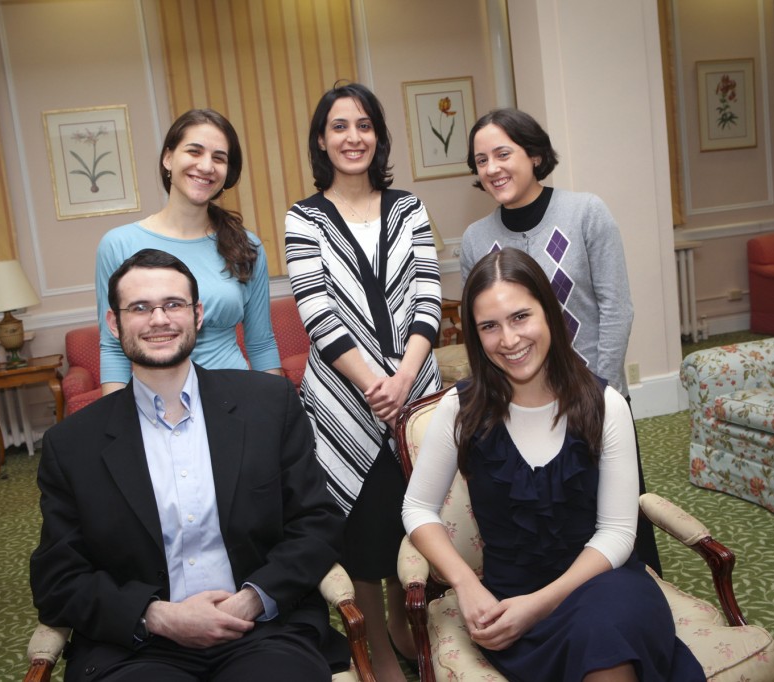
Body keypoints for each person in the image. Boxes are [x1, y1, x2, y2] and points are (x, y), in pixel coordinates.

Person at [31, 248, 347, 681]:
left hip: (262, 630)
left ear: (197, 315)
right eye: (140, 307)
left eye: (173, 305)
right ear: (114, 322)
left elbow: (317, 523)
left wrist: (252, 599)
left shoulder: (269, 406)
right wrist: (157, 616)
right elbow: (57, 578)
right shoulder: (72, 444)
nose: (159, 320)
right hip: (137, 647)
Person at [402, 248, 704, 682]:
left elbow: (619, 533)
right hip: (510, 604)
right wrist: (467, 584)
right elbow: (416, 508)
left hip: (604, 586)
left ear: (550, 313)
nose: (509, 339)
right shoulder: (459, 408)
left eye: (521, 317)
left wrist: (540, 603)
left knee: (605, 638)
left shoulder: (606, 404)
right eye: (490, 326)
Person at [459, 108, 662, 575]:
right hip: (523, 413)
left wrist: (598, 392)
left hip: (591, 401)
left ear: (533, 153)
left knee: (616, 531)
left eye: (503, 153)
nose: (492, 168)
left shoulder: (586, 212)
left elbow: (617, 307)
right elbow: (484, 332)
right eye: (481, 159)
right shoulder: (476, 239)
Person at [284, 82, 442, 682]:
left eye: (364, 125)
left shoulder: (409, 208)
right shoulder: (304, 217)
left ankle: (410, 623)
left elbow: (427, 290)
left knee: (418, 513)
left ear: (378, 135)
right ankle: (376, 642)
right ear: (322, 139)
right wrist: (376, 382)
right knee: (365, 535)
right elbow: (316, 310)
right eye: (339, 127)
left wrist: (404, 376)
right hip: (345, 403)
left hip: (416, 392)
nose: (353, 137)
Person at [95, 109, 280, 395]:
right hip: (153, 405)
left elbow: (261, 342)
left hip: (237, 399)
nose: (206, 166)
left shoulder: (247, 246)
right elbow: (112, 346)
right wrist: (115, 427)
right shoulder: (118, 244)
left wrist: (276, 411)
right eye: (194, 151)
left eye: (218, 158)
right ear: (168, 158)